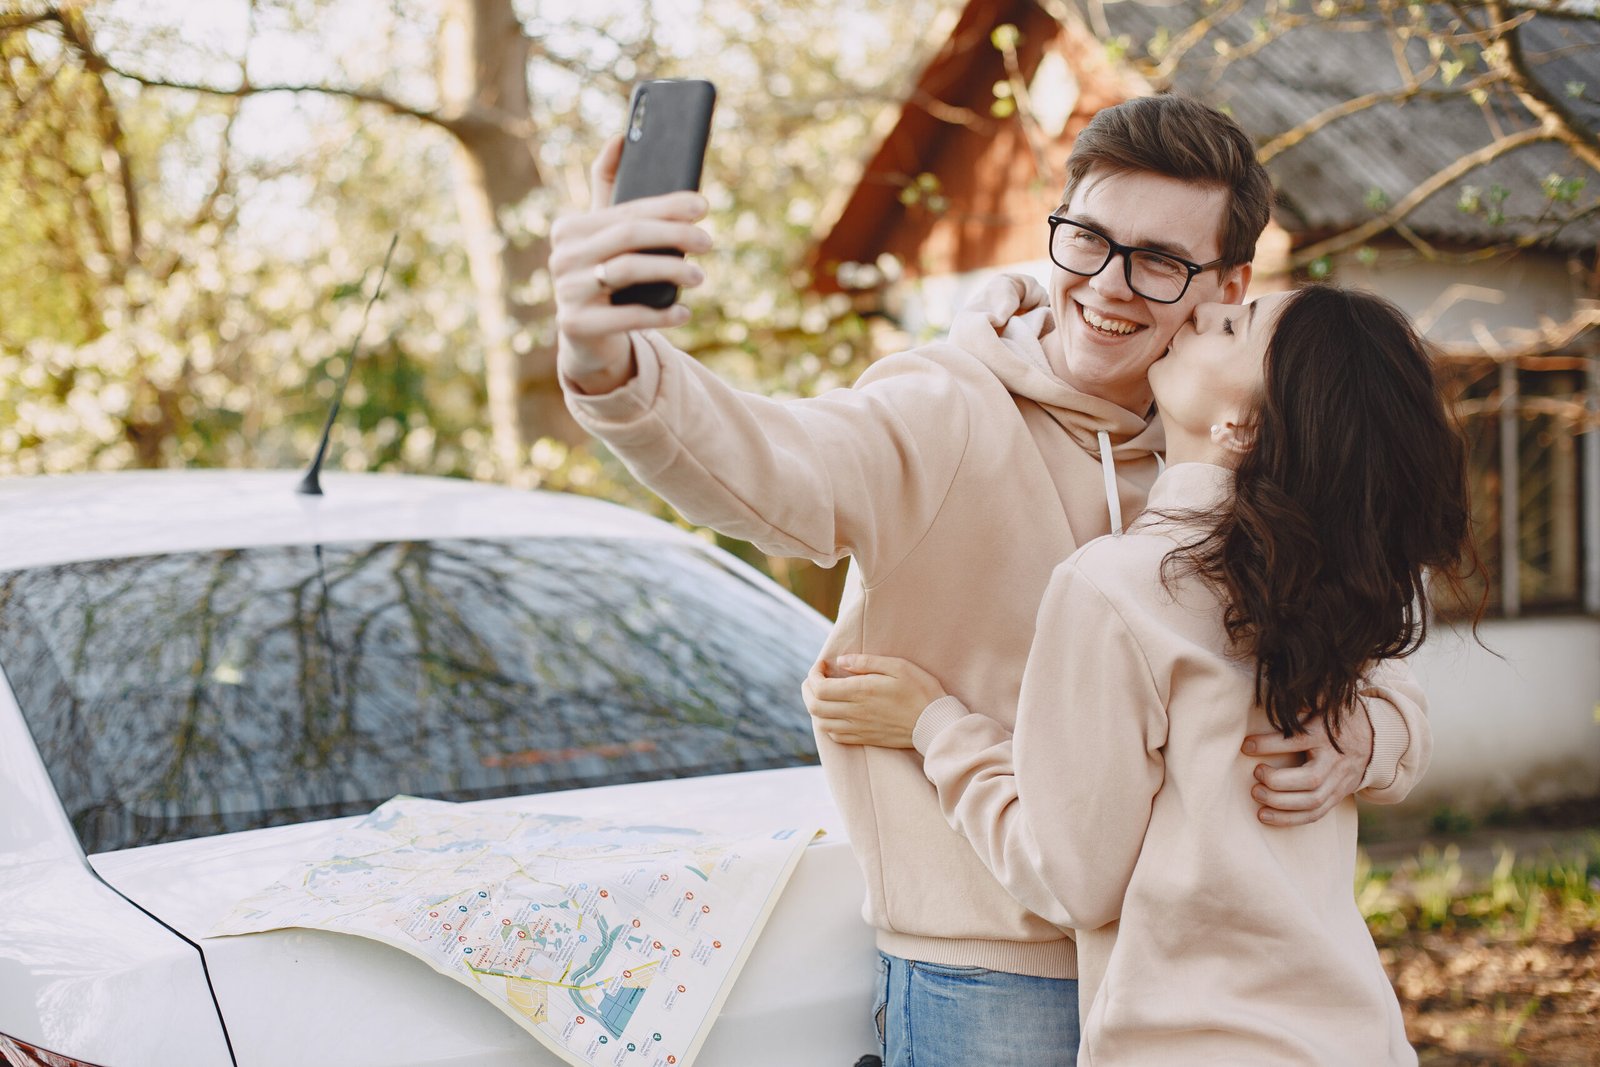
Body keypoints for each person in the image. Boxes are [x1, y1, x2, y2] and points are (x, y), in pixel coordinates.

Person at [550, 94, 1430, 1066]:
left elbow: (1361, 636)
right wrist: (613, 363)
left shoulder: (1250, 460)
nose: (1110, 284)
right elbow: (765, 464)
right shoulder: (941, 407)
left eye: (1159, 261)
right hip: (985, 979)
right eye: (1087, 238)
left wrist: (1370, 738)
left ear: (1225, 283)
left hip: (1183, 992)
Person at [806, 285, 1477, 1065]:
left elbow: (1069, 880)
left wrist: (935, 726)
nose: (1195, 314)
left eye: (1231, 324)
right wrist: (1375, 740)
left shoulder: (1119, 587)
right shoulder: (1320, 589)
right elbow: (1400, 701)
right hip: (1357, 1038)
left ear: (1243, 424)